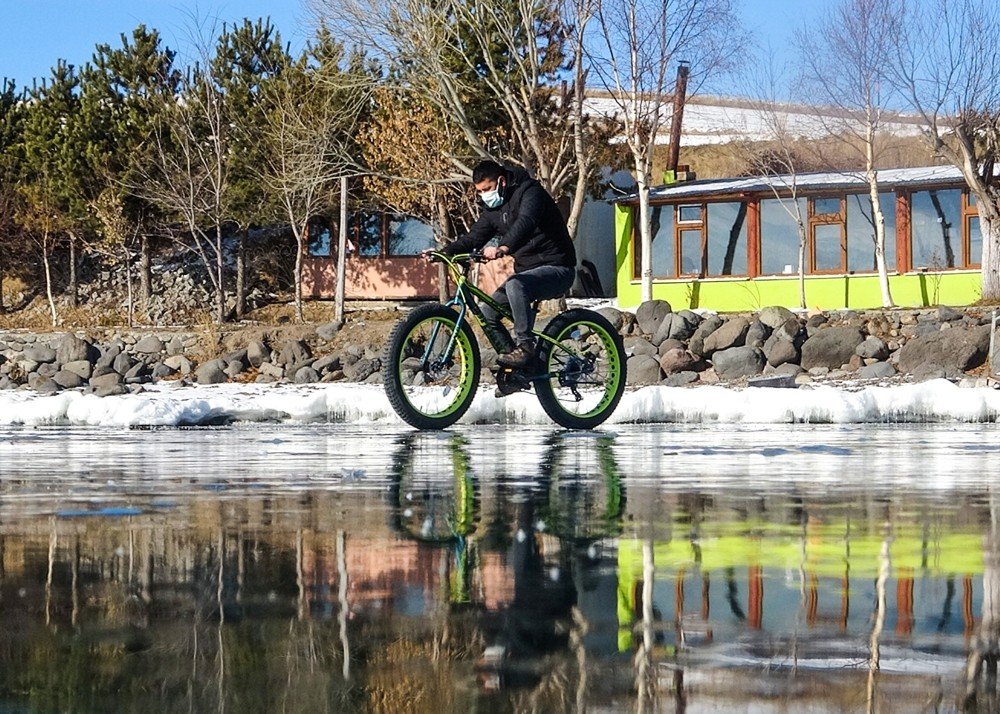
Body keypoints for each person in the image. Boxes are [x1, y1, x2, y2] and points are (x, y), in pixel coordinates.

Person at [436, 159, 576, 368]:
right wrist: (442, 252)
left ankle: (525, 346)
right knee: (487, 314)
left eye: (488, 189)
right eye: (480, 192)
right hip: (527, 274)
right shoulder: (493, 211)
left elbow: (526, 221)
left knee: (514, 284)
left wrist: (503, 247)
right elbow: (474, 238)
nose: (484, 195)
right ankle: (516, 370)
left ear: (501, 181)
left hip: (558, 268)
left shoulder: (530, 192)